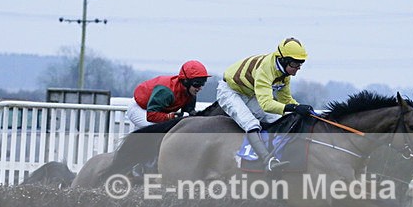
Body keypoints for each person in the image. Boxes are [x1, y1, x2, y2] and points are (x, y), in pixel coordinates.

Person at [217, 37, 314, 171]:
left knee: (280, 119)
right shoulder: (266, 69)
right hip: (230, 92)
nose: (297, 69)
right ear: (283, 60)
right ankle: (268, 161)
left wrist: (302, 108)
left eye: (300, 65)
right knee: (251, 123)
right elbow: (267, 104)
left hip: (249, 94)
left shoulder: (284, 74)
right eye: (294, 64)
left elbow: (285, 100)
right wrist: (294, 108)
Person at [127, 60, 211, 128]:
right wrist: (171, 117)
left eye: (203, 83)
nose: (200, 88)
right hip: (140, 109)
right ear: (186, 81)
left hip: (156, 110)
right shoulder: (166, 91)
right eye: (197, 84)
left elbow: (188, 113)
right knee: (158, 128)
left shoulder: (190, 93)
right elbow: (151, 116)